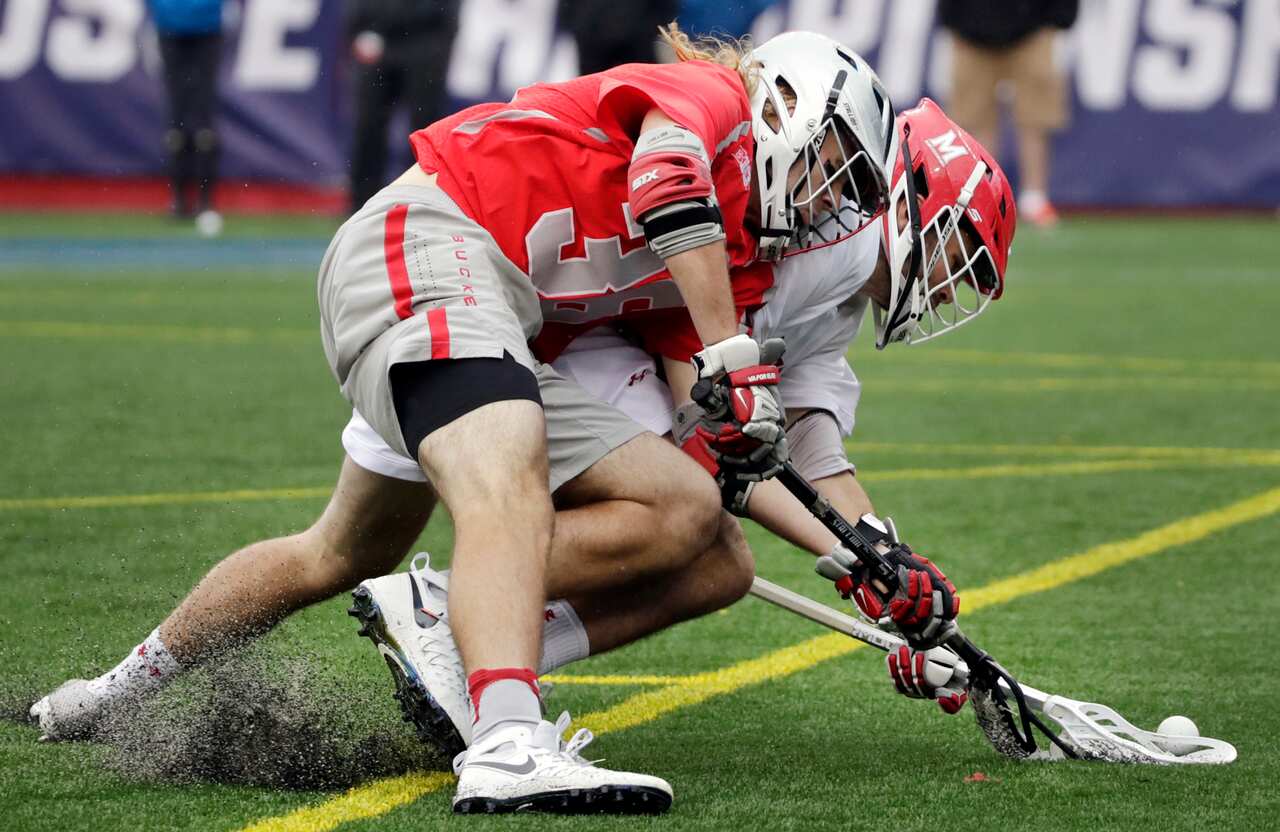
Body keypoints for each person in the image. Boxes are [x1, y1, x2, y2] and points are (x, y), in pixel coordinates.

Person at [32, 28, 915, 816]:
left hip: (498, 325)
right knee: (509, 480)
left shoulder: (739, 265)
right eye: (830, 158)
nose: (826, 194)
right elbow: (665, 175)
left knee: (674, 513)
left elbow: (715, 427)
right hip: (431, 240)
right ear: (784, 101)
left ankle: (109, 692)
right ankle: (505, 743)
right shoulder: (713, 101)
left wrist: (856, 550)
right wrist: (732, 354)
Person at [348, 97, 1016, 754]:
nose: (954, 288)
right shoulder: (834, 246)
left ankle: (470, 640)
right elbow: (720, 429)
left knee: (335, 555)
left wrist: (881, 561)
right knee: (692, 520)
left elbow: (814, 442)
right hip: (551, 333)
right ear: (914, 200)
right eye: (965, 254)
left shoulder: (841, 289)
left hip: (521, 327)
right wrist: (860, 571)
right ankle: (449, 613)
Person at [938, 0, 1077, 227]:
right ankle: (982, 197)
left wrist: (1060, 15)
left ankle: (1035, 197)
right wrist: (952, 18)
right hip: (972, 29)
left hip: (1033, 25)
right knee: (975, 121)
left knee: (1035, 118)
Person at [347, 0, 461, 213]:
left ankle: (422, 200)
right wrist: (360, 29)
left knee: (425, 129)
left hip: (424, 42)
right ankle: (362, 204)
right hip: (380, 41)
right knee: (369, 125)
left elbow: (445, 11)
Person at [148, 0, 225, 235]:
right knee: (177, 120)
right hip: (171, 25)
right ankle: (180, 199)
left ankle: (205, 199)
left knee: (203, 122)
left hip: (206, 26)